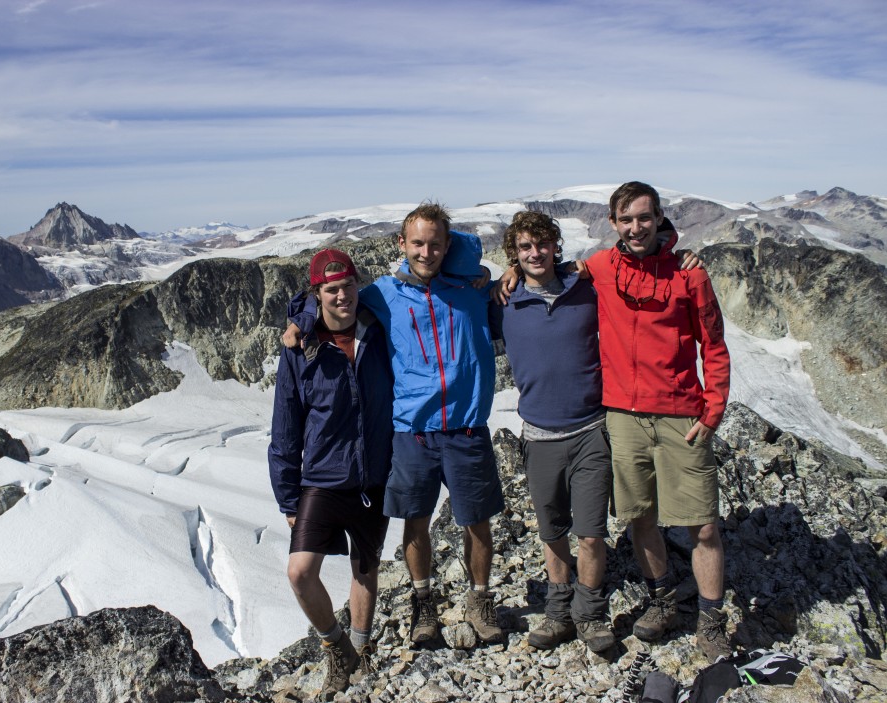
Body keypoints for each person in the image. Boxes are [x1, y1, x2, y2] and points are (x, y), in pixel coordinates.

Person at [284, 202, 505, 646]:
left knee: (477, 522)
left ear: (448, 245)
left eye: (436, 243)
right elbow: (331, 299)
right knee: (416, 523)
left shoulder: (472, 288)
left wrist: (501, 271)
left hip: (465, 426)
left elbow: (523, 284)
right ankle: (424, 604)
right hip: (412, 432)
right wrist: (300, 318)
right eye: (418, 243)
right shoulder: (383, 294)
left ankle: (480, 599)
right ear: (401, 245)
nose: (427, 252)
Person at [581, 182, 732, 661]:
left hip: (680, 413)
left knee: (703, 525)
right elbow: (546, 273)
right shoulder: (601, 267)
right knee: (639, 516)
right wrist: (495, 276)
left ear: (660, 217)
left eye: (644, 218)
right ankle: (662, 597)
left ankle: (711, 620)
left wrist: (713, 409)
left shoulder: (689, 273)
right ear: (613, 224)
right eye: (626, 220)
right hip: (623, 415)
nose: (636, 228)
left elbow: (714, 344)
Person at [268, 249, 394, 700]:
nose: (343, 296)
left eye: (348, 285)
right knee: (300, 571)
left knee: (366, 565)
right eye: (331, 289)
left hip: (372, 474)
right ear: (317, 293)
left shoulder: (378, 329)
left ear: (358, 283)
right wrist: (287, 499)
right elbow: (286, 423)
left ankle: (359, 649)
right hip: (322, 475)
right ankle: (337, 647)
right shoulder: (302, 347)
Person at [488, 210, 615, 653]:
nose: (535, 253)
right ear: (514, 254)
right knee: (552, 532)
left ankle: (590, 612)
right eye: (524, 247)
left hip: (591, 430)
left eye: (541, 244)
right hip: (539, 435)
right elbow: (456, 277)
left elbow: (627, 262)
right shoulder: (503, 301)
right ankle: (559, 611)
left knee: (593, 531)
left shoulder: (586, 288)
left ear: (555, 246)